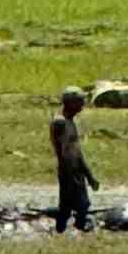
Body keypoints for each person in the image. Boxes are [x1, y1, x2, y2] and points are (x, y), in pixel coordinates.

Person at [50, 85, 99, 234]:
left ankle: (64, 231)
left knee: (69, 206)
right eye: (79, 102)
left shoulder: (71, 122)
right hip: (68, 170)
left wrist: (88, 174)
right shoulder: (60, 123)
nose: (82, 105)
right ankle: (75, 230)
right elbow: (61, 152)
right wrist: (70, 173)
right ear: (70, 103)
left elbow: (77, 152)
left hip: (75, 169)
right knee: (78, 205)